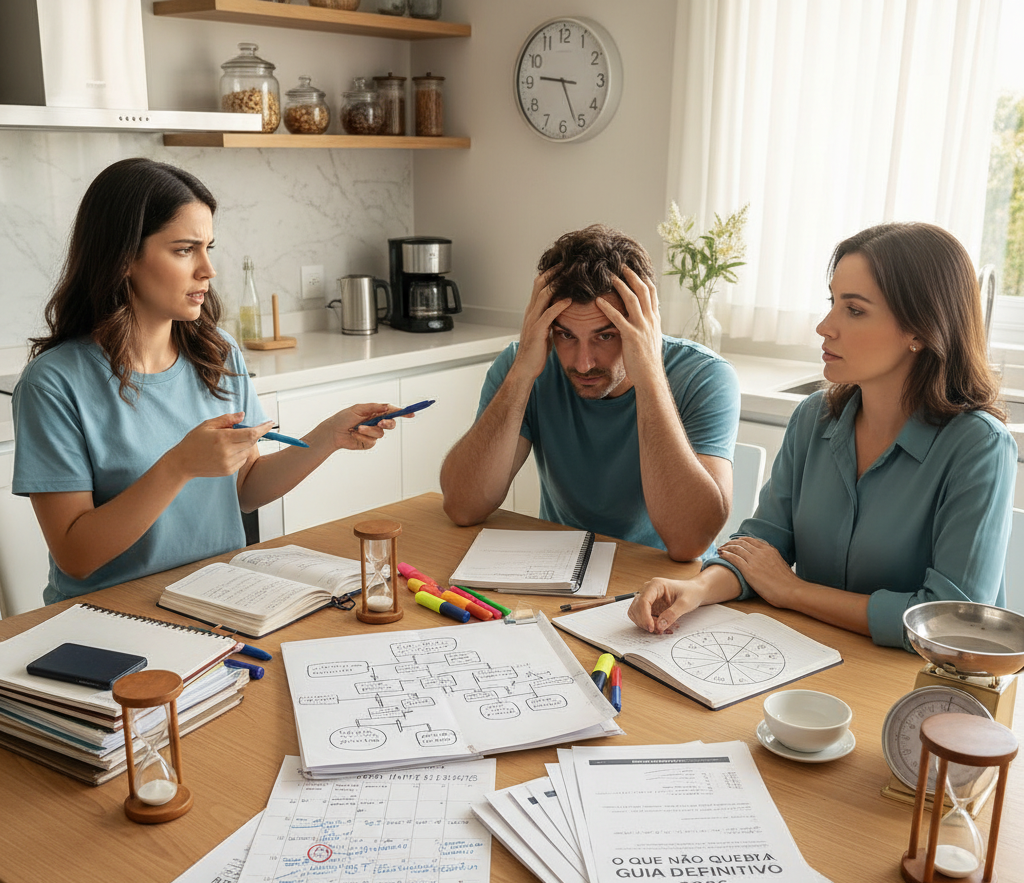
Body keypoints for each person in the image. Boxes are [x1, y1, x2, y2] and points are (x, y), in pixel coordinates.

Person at [13, 157, 402, 605]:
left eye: (208, 248)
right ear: (123, 258)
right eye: (184, 250)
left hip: (218, 600)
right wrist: (179, 465)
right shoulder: (53, 385)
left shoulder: (217, 353)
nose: (207, 270)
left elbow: (246, 488)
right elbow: (75, 555)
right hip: (110, 616)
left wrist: (328, 436)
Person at [629, 222, 1017, 648]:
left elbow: (948, 622)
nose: (824, 326)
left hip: (919, 684)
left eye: (854, 310)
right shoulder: (813, 418)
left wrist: (793, 591)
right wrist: (697, 590)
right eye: (832, 302)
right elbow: (761, 544)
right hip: (808, 655)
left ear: (920, 331)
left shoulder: (980, 446)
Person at [440, 225, 740, 560]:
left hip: (667, 583)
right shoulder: (524, 363)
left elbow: (689, 542)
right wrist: (521, 374)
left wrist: (650, 375)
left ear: (644, 324)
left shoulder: (705, 375)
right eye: (566, 335)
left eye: (606, 336)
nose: (583, 364)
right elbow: (463, 507)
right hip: (562, 573)